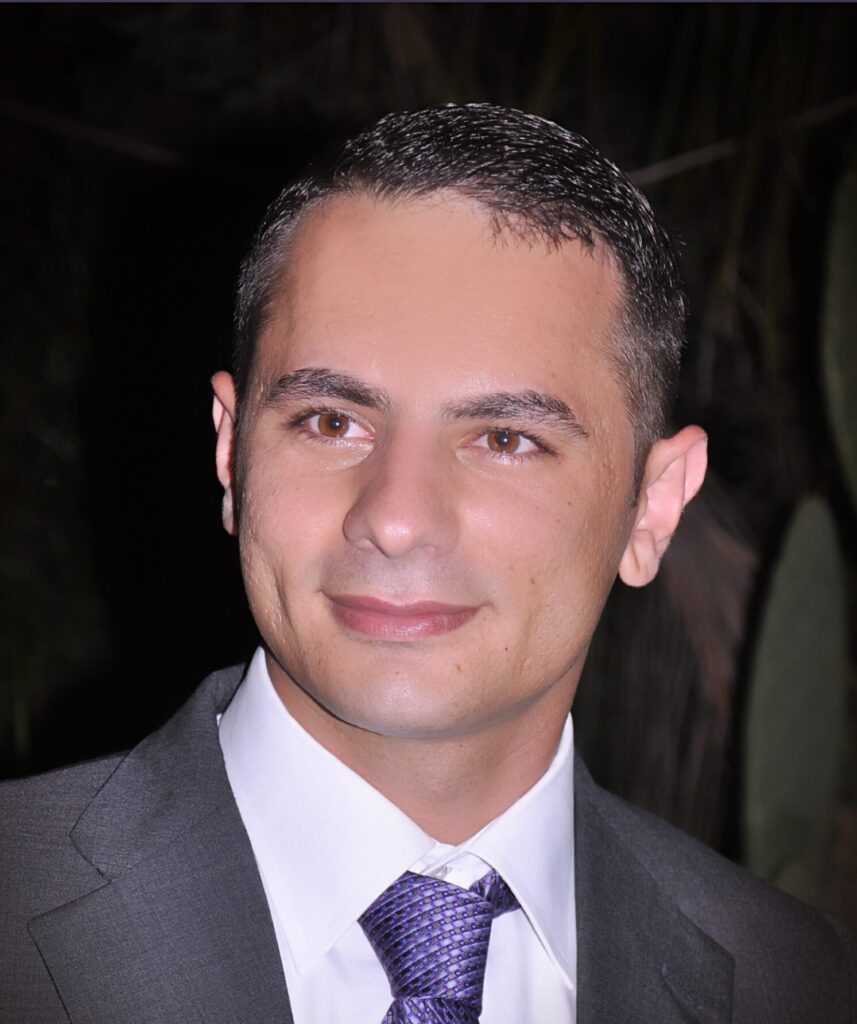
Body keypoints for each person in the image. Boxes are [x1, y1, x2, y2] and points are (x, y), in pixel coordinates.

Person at [1, 104, 853, 1024]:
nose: (396, 520)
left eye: (504, 439)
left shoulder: (800, 987)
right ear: (230, 453)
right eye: (331, 422)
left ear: (652, 507)